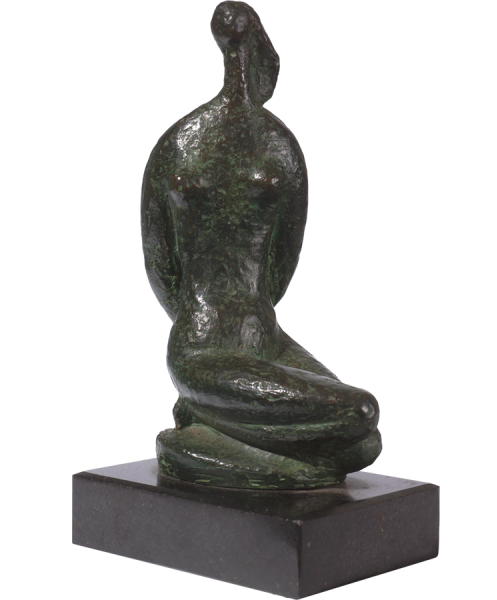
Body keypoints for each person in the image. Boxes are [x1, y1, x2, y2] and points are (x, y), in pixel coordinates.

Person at [140, 0, 381, 488]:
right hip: (203, 349)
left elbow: (280, 264)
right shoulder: (180, 144)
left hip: (266, 339)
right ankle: (210, 438)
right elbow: (159, 261)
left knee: (364, 437)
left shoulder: (278, 146)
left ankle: (205, 425)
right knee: (359, 411)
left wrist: (251, 318)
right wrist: (203, 319)